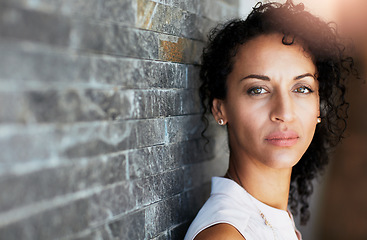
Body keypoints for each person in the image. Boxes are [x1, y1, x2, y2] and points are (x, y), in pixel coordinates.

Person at [184, 1, 355, 240]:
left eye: (302, 88)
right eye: (258, 90)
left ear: (318, 107)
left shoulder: (270, 217)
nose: (284, 112)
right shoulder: (225, 235)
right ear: (220, 109)